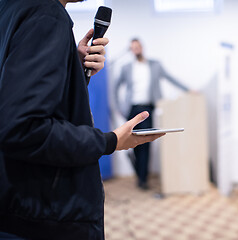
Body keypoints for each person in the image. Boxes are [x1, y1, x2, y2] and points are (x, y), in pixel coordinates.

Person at [0, 0, 164, 239]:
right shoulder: (46, 15)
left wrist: (71, 67)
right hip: (44, 214)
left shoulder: (13, 8)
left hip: (17, 205)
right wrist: (110, 141)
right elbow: (22, 128)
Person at [114, 38, 189, 190]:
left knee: (146, 143)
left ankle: (143, 179)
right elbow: (115, 87)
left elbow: (170, 78)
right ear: (131, 50)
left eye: (138, 46)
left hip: (148, 108)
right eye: (133, 48)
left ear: (142, 47)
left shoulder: (155, 65)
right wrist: (119, 107)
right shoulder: (126, 67)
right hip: (132, 109)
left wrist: (188, 89)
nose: (136, 49)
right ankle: (139, 172)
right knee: (134, 142)